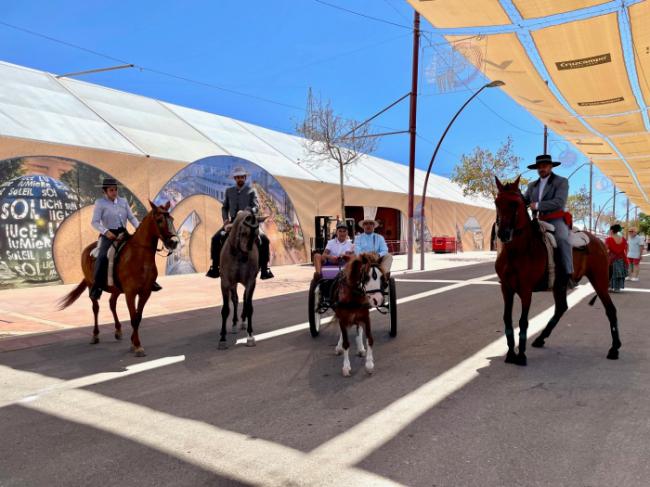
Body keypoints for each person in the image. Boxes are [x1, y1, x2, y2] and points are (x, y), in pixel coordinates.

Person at [90, 178, 162, 300]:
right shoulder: (100, 203)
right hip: (108, 235)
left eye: (115, 190)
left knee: (141, 251)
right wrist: (106, 232)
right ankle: (97, 287)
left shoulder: (123, 201)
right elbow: (94, 222)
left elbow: (131, 217)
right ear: (105, 191)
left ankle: (150, 280)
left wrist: (139, 229)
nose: (114, 192)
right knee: (102, 257)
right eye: (111, 190)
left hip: (123, 233)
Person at [205, 167, 274, 279]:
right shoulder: (229, 191)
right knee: (216, 239)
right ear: (235, 179)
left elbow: (256, 207)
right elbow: (224, 208)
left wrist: (247, 211)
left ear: (245, 178)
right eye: (237, 177)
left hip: (248, 221)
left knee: (264, 240)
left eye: (241, 177)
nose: (239, 179)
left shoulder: (252, 191)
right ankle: (215, 267)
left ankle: (265, 269)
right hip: (232, 221)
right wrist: (225, 220)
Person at [523, 154, 573, 284]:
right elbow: (524, 200)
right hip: (538, 219)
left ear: (551, 166)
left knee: (563, 239)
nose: (542, 169)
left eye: (544, 166)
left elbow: (559, 202)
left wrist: (538, 205)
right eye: (539, 167)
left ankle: (568, 274)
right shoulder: (532, 185)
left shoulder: (561, 181)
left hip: (555, 219)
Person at [606, 224, 628, 292]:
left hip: (611, 258)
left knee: (610, 272)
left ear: (612, 230)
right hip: (621, 258)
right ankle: (617, 288)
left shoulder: (609, 239)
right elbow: (626, 248)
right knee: (619, 273)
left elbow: (606, 249)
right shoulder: (623, 239)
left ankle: (609, 287)